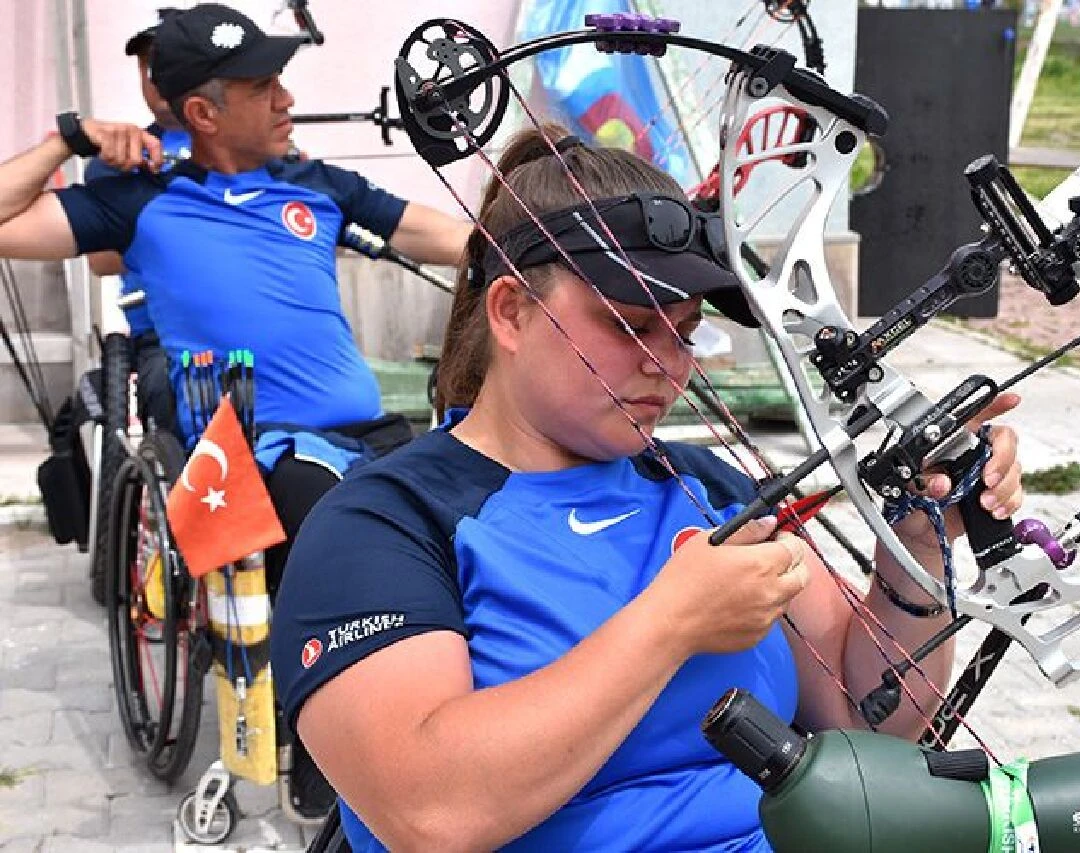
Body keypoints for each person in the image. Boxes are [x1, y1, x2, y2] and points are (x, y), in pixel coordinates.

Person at [269, 126, 1026, 852]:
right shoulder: (384, 522)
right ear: (509, 311)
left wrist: (919, 545)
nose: (667, 363)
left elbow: (873, 725)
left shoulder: (709, 488)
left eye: (686, 330)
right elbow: (429, 813)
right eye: (629, 325)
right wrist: (669, 622)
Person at [0, 2, 469, 818]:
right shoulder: (136, 198)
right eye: (263, 86)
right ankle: (334, 750)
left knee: (474, 523)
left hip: (368, 433)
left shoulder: (318, 184)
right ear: (203, 113)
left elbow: (451, 236)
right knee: (347, 533)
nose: (287, 98)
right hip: (259, 446)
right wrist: (68, 139)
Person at [83, 6, 190, 434]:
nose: (155, 78)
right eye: (147, 68)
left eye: (167, 64)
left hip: (264, 326)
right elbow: (101, 259)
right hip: (165, 338)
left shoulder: (259, 152)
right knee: (168, 386)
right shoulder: (122, 158)